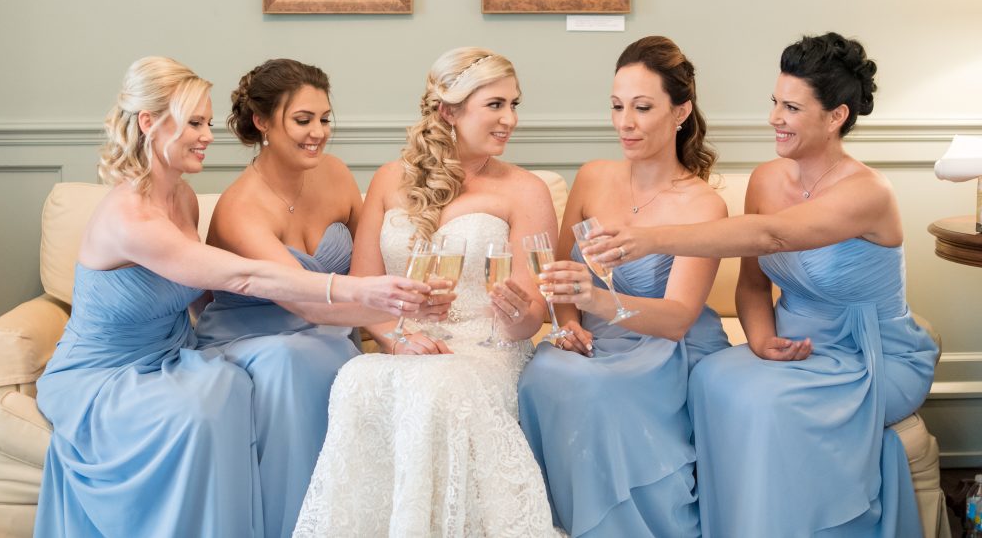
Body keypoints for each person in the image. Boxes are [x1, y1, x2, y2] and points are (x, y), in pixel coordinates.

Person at [33, 56, 439, 537]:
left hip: (172, 356)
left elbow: (201, 296)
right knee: (211, 401)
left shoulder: (182, 197)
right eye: (195, 123)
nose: (208, 135)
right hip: (106, 373)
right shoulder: (130, 219)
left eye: (208, 122)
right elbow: (243, 278)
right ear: (149, 123)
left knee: (226, 386)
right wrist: (365, 293)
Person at [585, 33, 939, 537]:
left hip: (871, 353)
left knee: (768, 403)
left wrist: (647, 238)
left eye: (791, 107)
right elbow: (752, 285)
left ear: (836, 115)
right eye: (774, 102)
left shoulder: (868, 193)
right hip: (795, 344)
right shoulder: (767, 179)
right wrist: (760, 338)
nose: (774, 117)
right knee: (711, 378)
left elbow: (771, 236)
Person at [294, 47, 561, 537]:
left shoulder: (526, 191)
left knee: (441, 386)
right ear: (447, 111)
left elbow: (532, 318)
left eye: (514, 104)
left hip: (488, 347)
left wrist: (516, 309)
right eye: (496, 105)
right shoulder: (388, 181)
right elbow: (361, 295)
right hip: (408, 345)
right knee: (357, 378)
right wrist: (398, 339)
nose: (511, 120)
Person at [193, 59, 450, 538]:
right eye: (303, 120)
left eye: (325, 118)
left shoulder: (334, 174)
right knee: (296, 358)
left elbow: (367, 271)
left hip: (327, 328)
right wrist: (396, 317)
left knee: (334, 352)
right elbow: (306, 301)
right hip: (253, 338)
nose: (318, 132)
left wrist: (397, 331)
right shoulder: (239, 208)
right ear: (263, 122)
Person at [516, 35, 730, 537]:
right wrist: (568, 325)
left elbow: (677, 317)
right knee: (543, 375)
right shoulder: (593, 178)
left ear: (680, 112)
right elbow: (561, 277)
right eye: (616, 106)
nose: (624, 123)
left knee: (599, 391)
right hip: (594, 341)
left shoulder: (703, 205)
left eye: (641, 107)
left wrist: (593, 300)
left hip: (663, 347)